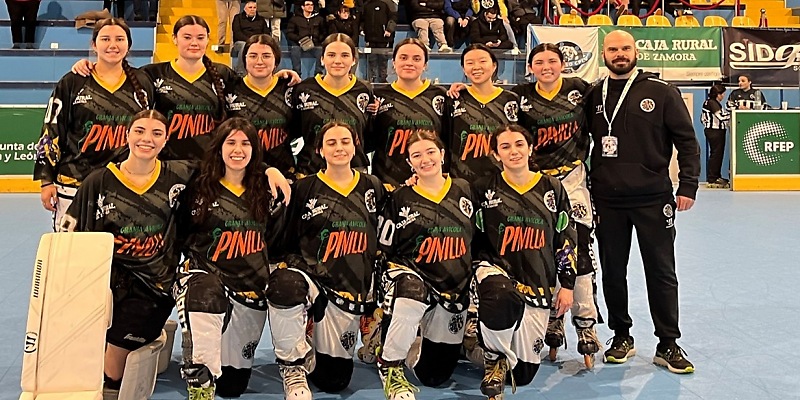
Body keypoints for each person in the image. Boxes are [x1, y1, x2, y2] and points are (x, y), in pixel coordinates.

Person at [58, 110, 197, 398]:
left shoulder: (180, 174)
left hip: (153, 289)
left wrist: (270, 171)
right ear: (127, 134)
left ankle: (141, 338)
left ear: (166, 140)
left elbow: (230, 165)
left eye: (156, 133)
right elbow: (69, 238)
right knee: (75, 360)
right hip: (106, 285)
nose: (147, 139)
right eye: (140, 131)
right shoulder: (99, 181)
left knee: (112, 372)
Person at [587, 30, 700, 374]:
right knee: (613, 272)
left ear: (636, 52)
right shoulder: (593, 94)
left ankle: (668, 343)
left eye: (625, 48)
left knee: (661, 272)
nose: (619, 54)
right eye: (613, 49)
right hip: (607, 199)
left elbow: (687, 141)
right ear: (604, 54)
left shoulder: (662, 91)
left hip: (653, 198)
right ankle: (621, 335)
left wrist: (688, 185)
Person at [70, 15, 300, 161]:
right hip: (166, 166)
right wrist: (89, 65)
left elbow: (252, 86)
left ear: (208, 40)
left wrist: (279, 76)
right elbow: (119, 73)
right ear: (174, 39)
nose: (194, 43)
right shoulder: (153, 74)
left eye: (200, 37)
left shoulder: (223, 75)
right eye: (187, 37)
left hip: (210, 167)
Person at [267, 121, 385, 399]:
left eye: (345, 141)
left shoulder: (373, 186)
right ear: (319, 150)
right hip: (313, 281)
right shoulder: (303, 188)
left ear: (355, 146)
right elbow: (282, 242)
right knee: (284, 285)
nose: (339, 148)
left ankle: (322, 338)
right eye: (331, 143)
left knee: (334, 381)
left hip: (349, 291)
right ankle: (292, 364)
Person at [175, 117, 277, 399]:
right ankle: (198, 373)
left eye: (245, 143)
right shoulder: (196, 187)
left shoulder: (267, 189)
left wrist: (271, 170)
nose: (238, 150)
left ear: (255, 149)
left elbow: (277, 239)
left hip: (249, 290)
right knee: (205, 294)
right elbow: (180, 233)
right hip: (208, 283)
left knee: (232, 387)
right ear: (219, 146)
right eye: (231, 142)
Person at [511, 43, 600, 368]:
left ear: (562, 64)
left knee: (579, 250)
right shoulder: (520, 95)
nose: (545, 67)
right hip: (537, 182)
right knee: (544, 252)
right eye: (539, 62)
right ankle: (553, 317)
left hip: (574, 179)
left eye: (552, 61)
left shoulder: (581, 90)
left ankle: (586, 323)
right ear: (530, 67)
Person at [472, 124, 576, 398]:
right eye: (505, 147)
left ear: (530, 148)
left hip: (537, 282)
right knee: (500, 294)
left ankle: (472, 345)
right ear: (496, 155)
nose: (513, 151)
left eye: (519, 144)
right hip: (494, 270)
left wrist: (567, 284)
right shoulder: (483, 188)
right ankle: (493, 358)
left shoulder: (552, 188)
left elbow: (566, 238)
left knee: (523, 375)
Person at [375, 129, 478, 400]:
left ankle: (445, 341)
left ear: (442, 155)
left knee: (434, 376)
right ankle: (389, 363)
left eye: (430, 152)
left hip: (452, 291)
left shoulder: (465, 189)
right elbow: (383, 251)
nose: (425, 159)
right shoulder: (399, 198)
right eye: (417, 155)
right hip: (413, 278)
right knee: (411, 292)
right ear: (409, 162)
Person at [35, 18, 153, 230]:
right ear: (93, 44)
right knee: (71, 248)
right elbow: (51, 130)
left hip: (126, 185)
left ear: (129, 44)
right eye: (105, 39)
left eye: (119, 39)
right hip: (74, 185)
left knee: (119, 248)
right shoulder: (73, 81)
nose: (112, 45)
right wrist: (46, 180)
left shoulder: (143, 83)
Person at [368, 38, 447, 189]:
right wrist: (371, 117)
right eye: (403, 58)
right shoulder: (378, 96)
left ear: (425, 65)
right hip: (388, 183)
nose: (409, 63)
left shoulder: (440, 96)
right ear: (393, 62)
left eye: (416, 59)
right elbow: (368, 143)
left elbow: (447, 141)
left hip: (429, 183)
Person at [291, 33, 373, 176]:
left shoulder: (364, 90)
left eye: (345, 55)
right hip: (311, 173)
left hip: (354, 173)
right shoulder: (304, 89)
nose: (337, 61)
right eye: (331, 55)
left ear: (354, 60)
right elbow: (293, 129)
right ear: (322, 59)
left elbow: (370, 136)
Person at [445, 44, 519, 182]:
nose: (476, 67)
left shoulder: (511, 100)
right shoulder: (454, 99)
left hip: (502, 181)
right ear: (464, 69)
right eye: (470, 63)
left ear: (494, 65)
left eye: (482, 61)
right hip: (462, 181)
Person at [226, 34, 296, 177]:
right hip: (242, 175)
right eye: (253, 56)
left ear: (276, 60)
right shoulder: (231, 89)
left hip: (283, 174)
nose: (259, 61)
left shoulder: (289, 88)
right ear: (244, 59)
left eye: (266, 56)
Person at [286, 0, 327, 77]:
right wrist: (300, 39)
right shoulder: (295, 19)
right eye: (308, 5)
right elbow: (289, 33)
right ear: (302, 7)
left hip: (315, 44)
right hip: (299, 44)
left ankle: (318, 75)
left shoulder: (319, 19)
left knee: (321, 51)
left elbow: (324, 32)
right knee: (295, 50)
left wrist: (317, 40)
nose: (310, 6)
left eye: (312, 5)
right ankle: (297, 74)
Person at [701, 83, 730, 189]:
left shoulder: (710, 102)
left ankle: (716, 175)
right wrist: (734, 113)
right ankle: (713, 177)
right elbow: (721, 116)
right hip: (715, 131)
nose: (723, 96)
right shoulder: (712, 103)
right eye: (723, 94)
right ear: (718, 94)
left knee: (717, 154)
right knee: (716, 154)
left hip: (713, 130)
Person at [361, 0, 397, 83]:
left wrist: (389, 29)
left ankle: (383, 79)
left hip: (384, 38)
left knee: (383, 59)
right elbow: (363, 19)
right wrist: (362, 29)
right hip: (370, 38)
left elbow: (393, 18)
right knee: (371, 59)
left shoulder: (389, 3)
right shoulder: (367, 4)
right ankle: (372, 78)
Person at [231, 0, 270, 75]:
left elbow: (266, 33)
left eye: (254, 8)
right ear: (245, 9)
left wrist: (258, 41)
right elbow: (237, 33)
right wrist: (250, 41)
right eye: (250, 7)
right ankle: (240, 72)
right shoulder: (238, 18)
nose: (252, 9)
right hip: (241, 42)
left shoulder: (261, 19)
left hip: (258, 42)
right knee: (244, 46)